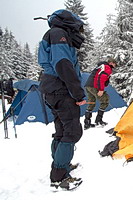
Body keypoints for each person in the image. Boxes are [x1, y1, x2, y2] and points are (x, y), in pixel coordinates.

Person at [38, 9, 86, 190]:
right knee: (72, 132)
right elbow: (62, 64)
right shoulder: (59, 34)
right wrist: (78, 93)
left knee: (61, 131)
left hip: (51, 88)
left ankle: (61, 165)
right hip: (61, 89)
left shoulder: (53, 34)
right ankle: (59, 176)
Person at [83, 57, 117, 129]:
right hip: (94, 86)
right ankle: (98, 121)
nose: (115, 66)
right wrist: (101, 89)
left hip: (88, 85)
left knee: (91, 102)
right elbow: (101, 78)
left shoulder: (101, 66)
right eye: (115, 64)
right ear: (111, 63)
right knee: (105, 100)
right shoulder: (107, 67)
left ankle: (87, 123)